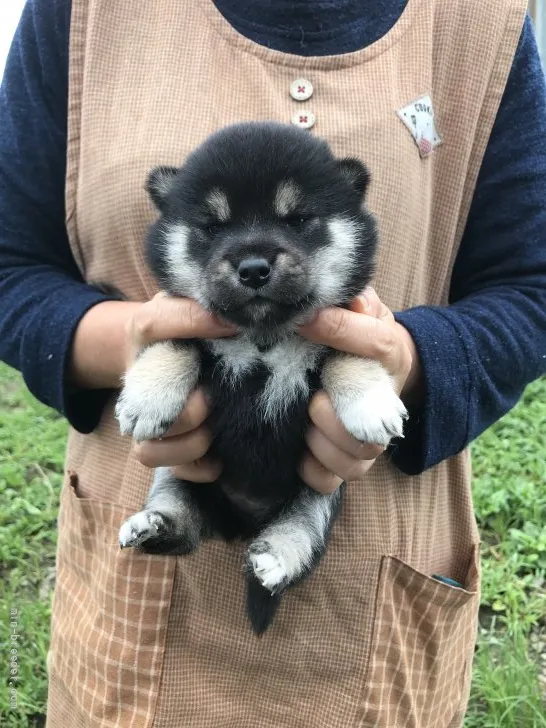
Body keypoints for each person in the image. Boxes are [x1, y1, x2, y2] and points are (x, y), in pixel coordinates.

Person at [1, 0, 545, 725]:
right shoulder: (81, 13)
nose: (255, 260)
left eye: (295, 221)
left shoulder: (486, 22)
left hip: (374, 610)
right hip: (130, 622)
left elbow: (532, 288)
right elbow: (10, 263)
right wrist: (132, 342)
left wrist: (409, 360)